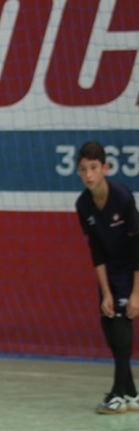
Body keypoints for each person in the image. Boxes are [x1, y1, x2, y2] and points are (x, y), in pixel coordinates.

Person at [74, 140, 139, 414]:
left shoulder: (122, 197)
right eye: (83, 169)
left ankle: (117, 394)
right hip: (109, 272)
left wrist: (136, 293)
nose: (88, 174)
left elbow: (137, 246)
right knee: (110, 325)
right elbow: (96, 250)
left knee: (122, 329)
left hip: (131, 268)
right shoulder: (83, 204)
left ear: (105, 168)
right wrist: (106, 292)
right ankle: (132, 394)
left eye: (93, 168)